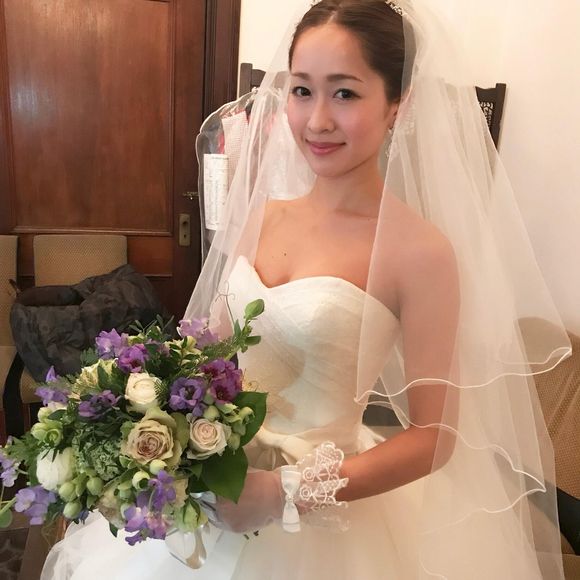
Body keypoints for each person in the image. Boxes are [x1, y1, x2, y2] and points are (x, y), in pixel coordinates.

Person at [42, 1, 571, 578]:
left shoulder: (420, 251)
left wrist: (286, 490)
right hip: (214, 488)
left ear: (398, 103)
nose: (317, 120)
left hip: (324, 521)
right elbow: (207, 354)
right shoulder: (262, 215)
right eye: (301, 90)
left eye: (344, 93)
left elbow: (434, 436)